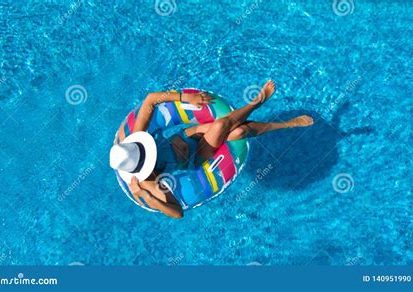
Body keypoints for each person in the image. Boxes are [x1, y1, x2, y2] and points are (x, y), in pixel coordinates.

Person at [109, 80, 313, 218]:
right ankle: (259, 105)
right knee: (227, 128)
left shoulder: (137, 135)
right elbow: (177, 213)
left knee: (237, 132)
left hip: (190, 134)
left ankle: (285, 123)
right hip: (196, 157)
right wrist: (146, 196)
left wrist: (183, 98)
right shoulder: (147, 183)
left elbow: (150, 99)